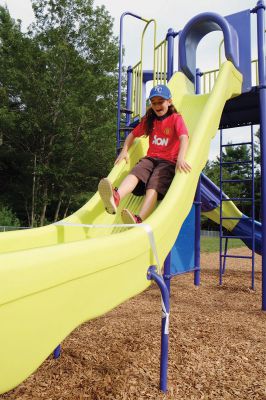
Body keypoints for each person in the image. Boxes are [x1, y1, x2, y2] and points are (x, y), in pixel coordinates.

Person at [98, 84, 191, 224]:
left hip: (168, 162)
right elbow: (132, 135)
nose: (157, 105)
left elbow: (184, 137)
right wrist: (124, 151)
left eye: (161, 102)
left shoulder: (175, 118)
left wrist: (181, 158)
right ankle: (116, 197)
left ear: (169, 101)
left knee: (155, 182)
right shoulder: (150, 120)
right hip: (151, 158)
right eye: (154, 103)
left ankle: (139, 218)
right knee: (137, 170)